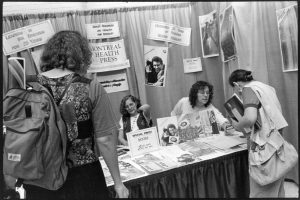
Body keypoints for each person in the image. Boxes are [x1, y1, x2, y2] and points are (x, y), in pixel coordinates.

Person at [29, 30, 129, 199]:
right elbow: (105, 139)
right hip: (83, 177)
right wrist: (118, 183)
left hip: (39, 176)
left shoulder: (30, 86)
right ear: (81, 54)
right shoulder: (90, 86)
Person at [228, 69, 288, 198]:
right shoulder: (267, 88)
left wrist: (237, 125)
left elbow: (250, 118)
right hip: (277, 143)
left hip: (264, 149)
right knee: (278, 191)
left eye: (234, 88)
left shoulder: (249, 89)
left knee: (261, 192)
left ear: (236, 84)